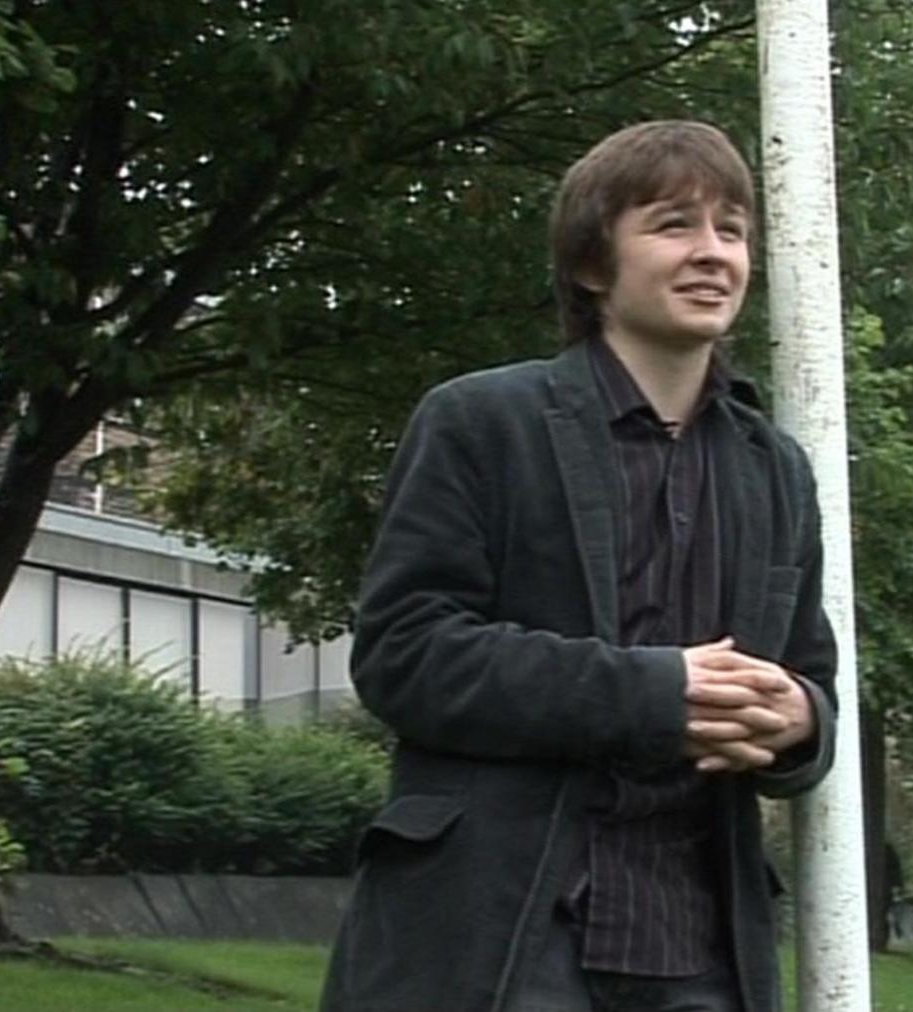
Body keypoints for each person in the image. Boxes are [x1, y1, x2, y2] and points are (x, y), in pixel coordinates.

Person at [320, 120, 839, 1012]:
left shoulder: (776, 467)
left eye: (733, 230)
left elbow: (811, 677)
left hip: (700, 946)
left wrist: (797, 719)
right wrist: (651, 693)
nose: (713, 253)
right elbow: (405, 655)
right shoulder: (481, 422)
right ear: (593, 265)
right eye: (674, 224)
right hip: (501, 935)